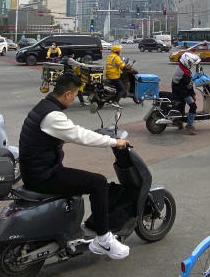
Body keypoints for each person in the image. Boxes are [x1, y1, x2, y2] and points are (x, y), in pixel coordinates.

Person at [18, 72, 132, 259]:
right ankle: (103, 240)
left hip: (35, 170)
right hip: (44, 175)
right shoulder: (53, 116)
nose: (74, 99)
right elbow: (80, 135)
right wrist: (114, 142)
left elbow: (61, 134)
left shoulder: (43, 107)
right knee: (98, 183)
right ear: (68, 95)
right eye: (76, 94)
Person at [172, 52, 200, 135]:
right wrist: (193, 94)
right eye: (190, 63)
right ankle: (189, 126)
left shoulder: (181, 67)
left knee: (181, 106)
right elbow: (189, 86)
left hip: (179, 90)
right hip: (182, 92)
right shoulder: (184, 72)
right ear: (186, 62)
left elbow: (188, 83)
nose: (191, 64)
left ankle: (178, 121)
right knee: (193, 106)